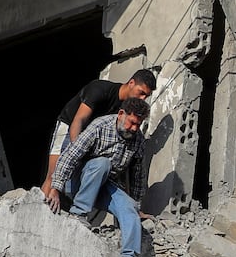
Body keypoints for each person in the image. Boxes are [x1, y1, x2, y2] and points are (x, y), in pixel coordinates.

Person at [47, 97, 151, 257]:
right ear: (121, 114)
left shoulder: (137, 140)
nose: (134, 129)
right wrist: (55, 187)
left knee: (129, 207)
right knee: (102, 164)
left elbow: (138, 176)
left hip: (104, 186)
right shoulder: (100, 126)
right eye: (132, 123)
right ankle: (79, 214)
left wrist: (137, 205)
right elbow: (71, 155)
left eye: (138, 125)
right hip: (80, 181)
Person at [39, 69, 157, 201]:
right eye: (141, 93)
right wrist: (76, 150)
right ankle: (40, 209)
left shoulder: (127, 109)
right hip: (70, 126)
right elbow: (79, 120)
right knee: (53, 174)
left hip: (91, 137)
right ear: (131, 83)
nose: (143, 99)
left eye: (146, 96)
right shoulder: (100, 89)